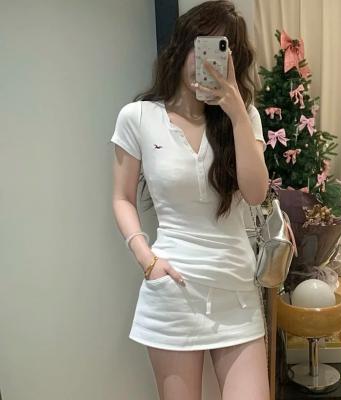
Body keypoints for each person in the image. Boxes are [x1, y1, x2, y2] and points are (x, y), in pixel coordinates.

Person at [110, 1, 270, 399]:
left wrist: (236, 113)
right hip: (173, 290)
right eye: (202, 45)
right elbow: (122, 198)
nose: (206, 60)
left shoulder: (244, 117)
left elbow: (255, 193)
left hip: (236, 290)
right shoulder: (138, 117)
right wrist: (147, 260)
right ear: (182, 46)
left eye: (221, 50)